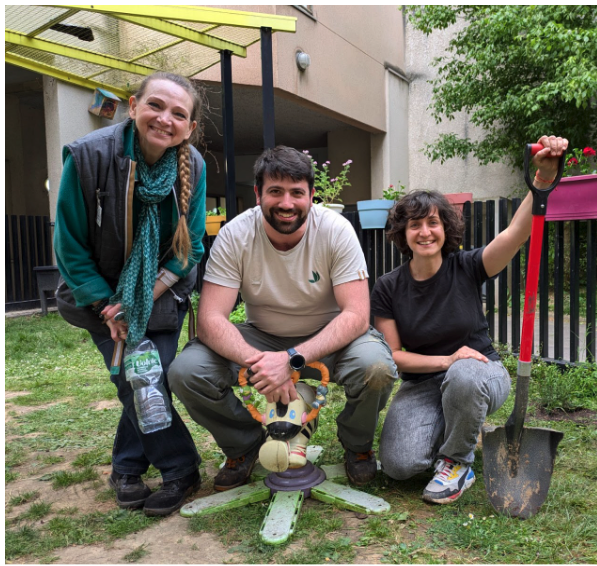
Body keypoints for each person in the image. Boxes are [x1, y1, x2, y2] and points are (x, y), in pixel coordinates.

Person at [169, 146, 398, 492]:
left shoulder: (336, 230)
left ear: (311, 196)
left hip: (331, 339)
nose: (286, 203)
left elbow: (355, 315)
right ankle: (244, 445)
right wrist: (263, 364)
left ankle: (357, 444)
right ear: (258, 194)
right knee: (186, 372)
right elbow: (211, 319)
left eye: (296, 193)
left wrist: (291, 360)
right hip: (262, 338)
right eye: (275, 191)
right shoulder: (235, 235)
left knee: (376, 367)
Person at [372, 136, 568, 504]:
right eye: (415, 225)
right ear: (404, 234)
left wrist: (542, 179)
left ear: (445, 228)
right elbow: (393, 355)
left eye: (432, 222)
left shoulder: (466, 267)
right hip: (422, 385)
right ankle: (466, 427)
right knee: (400, 466)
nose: (425, 231)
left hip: (481, 372)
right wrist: (446, 360)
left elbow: (514, 234)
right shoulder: (388, 287)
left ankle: (457, 463)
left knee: (462, 376)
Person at [52, 72, 207, 517]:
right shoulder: (87, 157)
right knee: (140, 377)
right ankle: (181, 466)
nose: (165, 119)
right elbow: (70, 244)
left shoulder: (191, 165)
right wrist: (108, 305)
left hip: (162, 286)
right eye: (156, 106)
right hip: (99, 292)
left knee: (142, 377)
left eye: (179, 114)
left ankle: (127, 465)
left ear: (190, 127)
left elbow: (190, 245)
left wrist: (145, 295)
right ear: (133, 105)